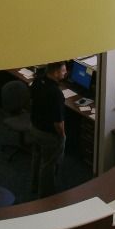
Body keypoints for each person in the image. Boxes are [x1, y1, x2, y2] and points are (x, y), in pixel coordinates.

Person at [30, 61, 67, 198]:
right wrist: (62, 136)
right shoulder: (56, 93)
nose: (65, 73)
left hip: (34, 128)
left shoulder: (37, 82)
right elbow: (58, 123)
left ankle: (34, 186)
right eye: (63, 71)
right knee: (48, 165)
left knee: (37, 157)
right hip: (48, 135)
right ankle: (45, 196)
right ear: (56, 72)